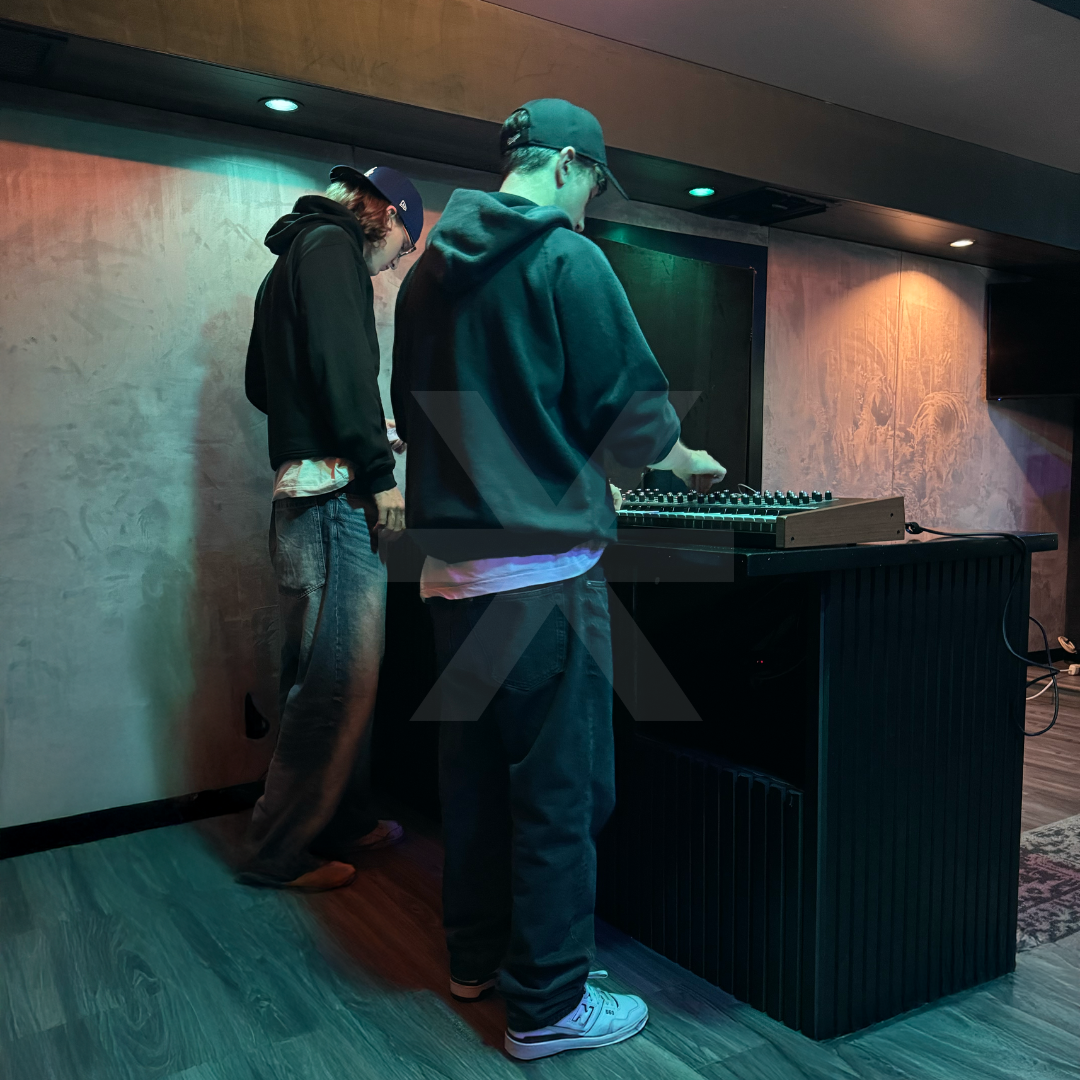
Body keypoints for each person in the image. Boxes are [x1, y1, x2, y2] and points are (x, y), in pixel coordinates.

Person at [391, 100, 725, 1059]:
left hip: (451, 578)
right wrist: (683, 459)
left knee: (474, 783)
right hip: (542, 578)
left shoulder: (425, 276)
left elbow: (413, 412)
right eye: (594, 186)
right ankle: (547, 1006)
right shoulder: (566, 259)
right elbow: (632, 413)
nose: (591, 206)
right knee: (559, 793)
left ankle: (479, 959)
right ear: (570, 164)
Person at [240, 165, 423, 892]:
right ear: (392, 217)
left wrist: (335, 423)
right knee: (336, 681)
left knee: (324, 669)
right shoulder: (333, 249)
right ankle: (279, 851)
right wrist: (379, 475)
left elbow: (264, 382)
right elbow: (344, 365)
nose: (397, 260)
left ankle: (340, 820)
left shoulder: (294, 255)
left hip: (305, 493)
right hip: (332, 498)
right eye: (406, 245)